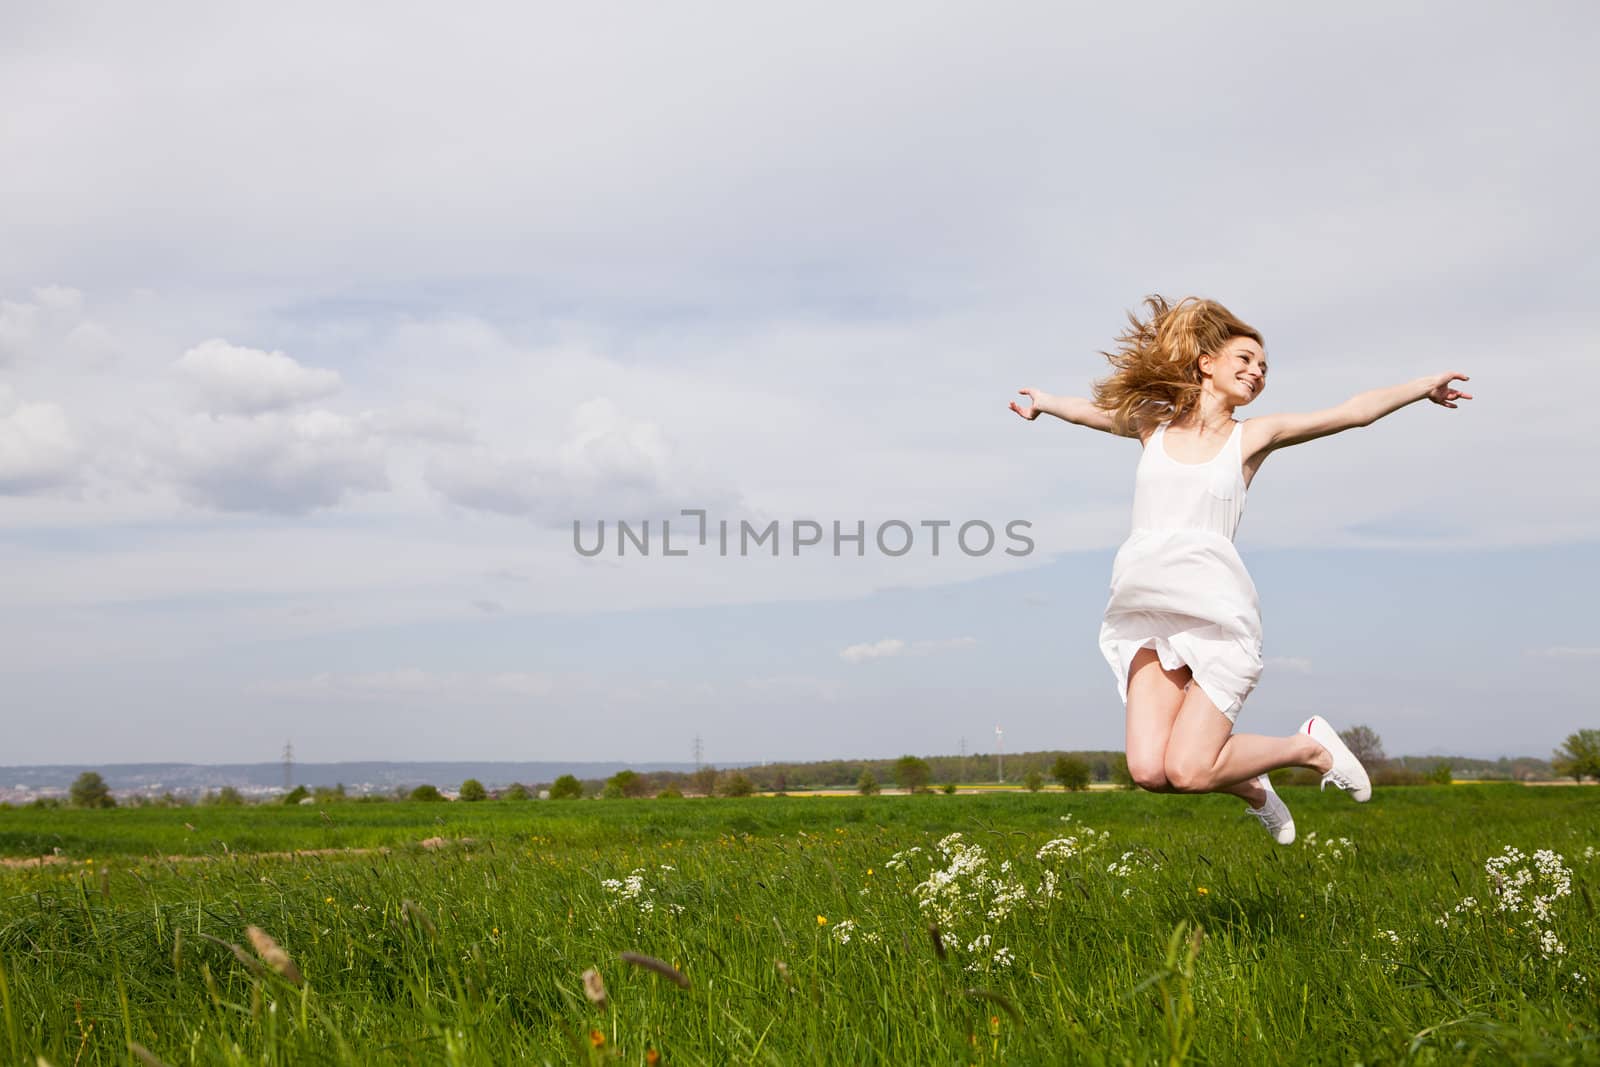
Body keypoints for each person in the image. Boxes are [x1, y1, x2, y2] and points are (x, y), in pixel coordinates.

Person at [1008, 295, 1471, 844]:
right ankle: (1254, 787)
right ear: (1206, 363)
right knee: (1150, 773)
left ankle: (1308, 747)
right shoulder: (1151, 426)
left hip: (1213, 611)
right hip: (1146, 609)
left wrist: (1423, 387)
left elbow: (1352, 412)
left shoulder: (1251, 437)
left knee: (1189, 770)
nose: (1257, 372)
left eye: (1264, 368)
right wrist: (1043, 402)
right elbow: (1090, 412)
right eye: (1246, 360)